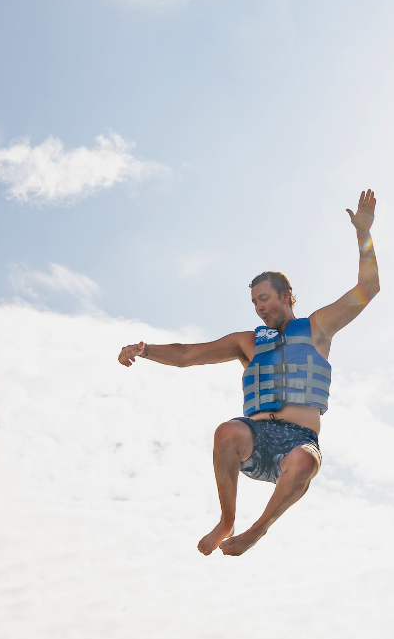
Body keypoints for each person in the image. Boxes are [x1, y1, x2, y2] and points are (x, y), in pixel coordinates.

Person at [118, 189, 378, 556]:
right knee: (226, 431)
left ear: (286, 295)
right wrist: (145, 350)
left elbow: (368, 288)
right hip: (256, 439)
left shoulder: (318, 328)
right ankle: (227, 520)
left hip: (299, 440)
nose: (259, 308)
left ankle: (256, 531)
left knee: (305, 461)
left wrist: (364, 233)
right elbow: (188, 354)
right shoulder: (248, 342)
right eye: (254, 302)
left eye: (264, 299)